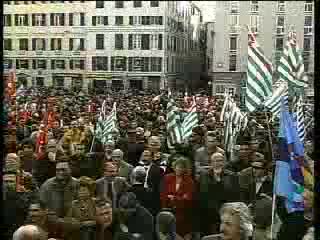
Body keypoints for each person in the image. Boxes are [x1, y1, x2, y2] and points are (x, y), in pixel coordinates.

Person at [197, 153, 240, 236]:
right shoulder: (204, 176)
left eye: (220, 161)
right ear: (211, 163)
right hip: (208, 214)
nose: (218, 163)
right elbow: (202, 194)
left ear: (224, 162)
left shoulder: (232, 175)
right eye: (215, 161)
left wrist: (219, 181)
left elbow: (235, 194)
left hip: (226, 213)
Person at [39, 159, 80, 240]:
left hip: (73, 227)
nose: (60, 172)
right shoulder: (47, 185)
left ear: (70, 169)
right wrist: (57, 220)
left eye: (63, 170)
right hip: (51, 226)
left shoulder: (78, 185)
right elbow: (42, 206)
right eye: (58, 170)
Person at [161, 158, 195, 239]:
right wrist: (179, 197)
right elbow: (163, 194)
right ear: (174, 167)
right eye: (178, 167)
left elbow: (188, 198)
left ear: (185, 169)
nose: (179, 169)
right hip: (167, 210)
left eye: (182, 167)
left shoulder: (189, 181)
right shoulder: (167, 178)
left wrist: (174, 198)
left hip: (183, 214)